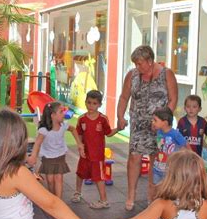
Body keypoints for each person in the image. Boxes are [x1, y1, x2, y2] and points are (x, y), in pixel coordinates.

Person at [117, 45, 178, 210]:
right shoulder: (132, 75)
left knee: (157, 160)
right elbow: (124, 97)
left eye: (140, 63)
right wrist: (120, 116)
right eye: (135, 63)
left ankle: (152, 197)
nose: (137, 67)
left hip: (159, 127)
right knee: (134, 157)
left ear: (150, 61)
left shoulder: (166, 74)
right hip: (139, 124)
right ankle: (131, 196)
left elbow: (173, 100)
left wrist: (163, 121)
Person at [27, 102, 85, 198]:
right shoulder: (44, 130)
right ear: (53, 115)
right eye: (61, 112)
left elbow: (73, 129)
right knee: (50, 180)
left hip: (60, 155)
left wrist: (79, 143)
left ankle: (59, 200)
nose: (64, 114)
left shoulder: (63, 125)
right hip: (48, 157)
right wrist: (33, 156)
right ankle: (53, 197)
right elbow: (37, 143)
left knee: (58, 178)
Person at [71, 90, 119, 209]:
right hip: (85, 154)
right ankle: (78, 192)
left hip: (97, 156)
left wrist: (119, 128)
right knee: (80, 173)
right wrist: (80, 146)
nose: (91, 106)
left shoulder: (103, 119)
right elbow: (79, 134)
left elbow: (108, 133)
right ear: (85, 102)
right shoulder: (81, 119)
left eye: (94, 103)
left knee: (99, 177)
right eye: (89, 102)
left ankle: (104, 200)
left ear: (99, 105)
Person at [151, 108, 187, 186]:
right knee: (157, 188)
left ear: (165, 123)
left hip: (170, 171)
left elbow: (185, 147)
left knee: (169, 190)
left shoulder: (175, 134)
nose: (152, 122)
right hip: (158, 168)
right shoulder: (159, 131)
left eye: (155, 120)